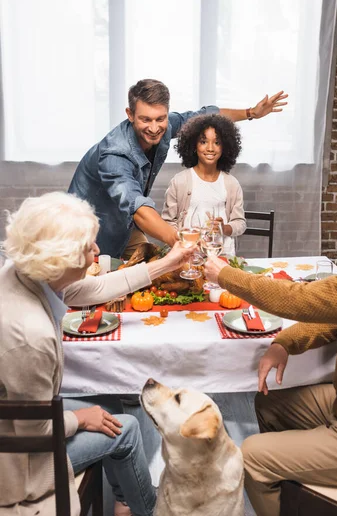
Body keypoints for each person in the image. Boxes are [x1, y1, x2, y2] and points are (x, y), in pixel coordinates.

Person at [204, 158, 337, 516]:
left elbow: (303, 300)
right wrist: (285, 342)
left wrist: (226, 275)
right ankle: (294, 491)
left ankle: (280, 480)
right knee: (268, 404)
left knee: (250, 456)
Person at [0, 192, 193, 516]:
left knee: (111, 404)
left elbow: (94, 289)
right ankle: (149, 510)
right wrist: (78, 418)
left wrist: (166, 264)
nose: (98, 251)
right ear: (61, 258)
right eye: (89, 246)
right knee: (127, 429)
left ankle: (124, 501)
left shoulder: (24, 272)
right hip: (16, 462)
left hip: (21, 419)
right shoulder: (30, 336)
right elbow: (35, 433)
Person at [68, 79, 288, 259]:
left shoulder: (166, 126)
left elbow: (205, 115)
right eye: (145, 119)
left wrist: (251, 112)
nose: (154, 128)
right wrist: (181, 241)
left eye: (160, 119)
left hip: (124, 227)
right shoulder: (114, 154)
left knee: (153, 273)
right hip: (87, 233)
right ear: (130, 113)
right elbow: (138, 209)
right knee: (94, 295)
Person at [161, 114, 246, 255]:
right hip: (188, 257)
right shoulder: (180, 181)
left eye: (217, 142)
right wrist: (184, 241)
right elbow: (167, 222)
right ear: (194, 145)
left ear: (225, 146)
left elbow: (240, 223)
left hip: (222, 256)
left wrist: (224, 228)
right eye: (203, 142)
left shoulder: (232, 184)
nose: (210, 148)